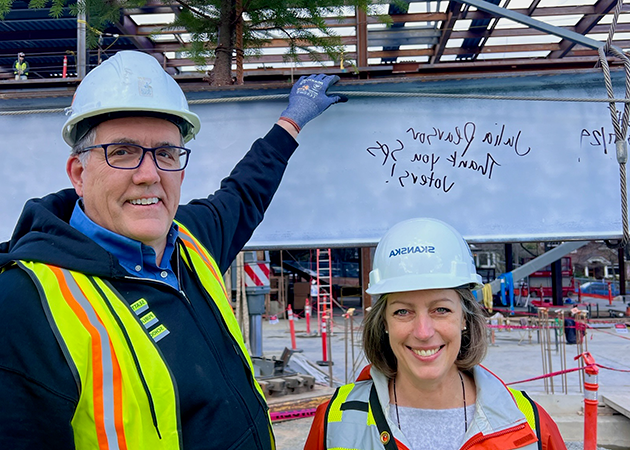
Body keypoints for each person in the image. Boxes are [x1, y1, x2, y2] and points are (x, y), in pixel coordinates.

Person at [0, 50, 346, 449]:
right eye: (123, 152)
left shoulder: (191, 240)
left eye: (166, 153)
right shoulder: (25, 303)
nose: (149, 175)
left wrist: (292, 121)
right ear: (79, 173)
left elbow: (245, 191)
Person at [304, 218, 566, 450]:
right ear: (383, 322)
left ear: (464, 317)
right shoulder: (335, 424)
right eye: (403, 312)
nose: (423, 332)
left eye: (441, 309)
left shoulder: (528, 425)